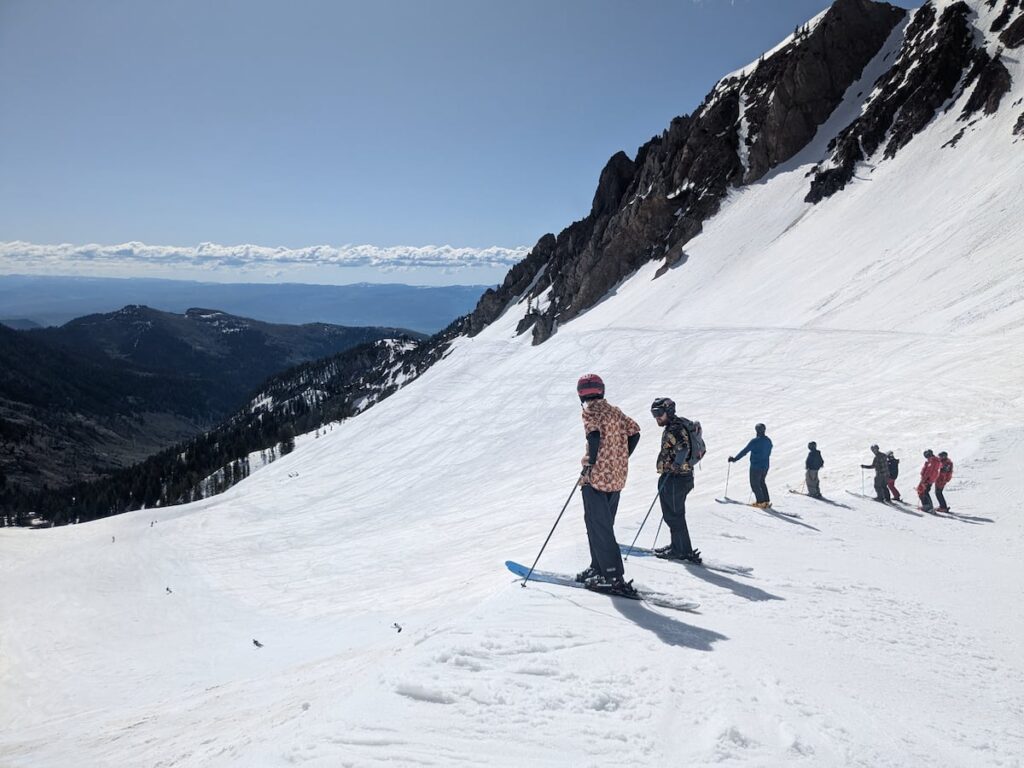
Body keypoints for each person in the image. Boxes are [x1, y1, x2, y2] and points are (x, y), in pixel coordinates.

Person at [573, 373, 641, 597]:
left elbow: (593, 436)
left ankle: (612, 577)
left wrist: (592, 462)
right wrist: (622, 456)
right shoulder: (615, 411)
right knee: (602, 525)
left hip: (595, 479)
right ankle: (598, 567)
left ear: (581, 393)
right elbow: (635, 431)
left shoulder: (590, 411)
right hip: (617, 477)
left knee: (598, 526)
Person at [649, 397, 701, 563]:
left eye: (659, 413)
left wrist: (675, 465)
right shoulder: (680, 424)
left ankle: (681, 550)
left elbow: (683, 448)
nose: (656, 417)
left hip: (675, 478)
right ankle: (679, 546)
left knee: (674, 515)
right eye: (653, 414)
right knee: (674, 514)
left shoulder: (674, 429)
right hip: (682, 477)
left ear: (669, 411)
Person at [728, 423, 773, 507]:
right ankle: (766, 501)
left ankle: (760, 502)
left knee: (755, 484)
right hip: (765, 466)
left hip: (756, 467)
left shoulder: (755, 441)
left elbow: (745, 451)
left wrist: (735, 459)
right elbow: (769, 451)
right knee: (762, 482)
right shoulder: (768, 440)